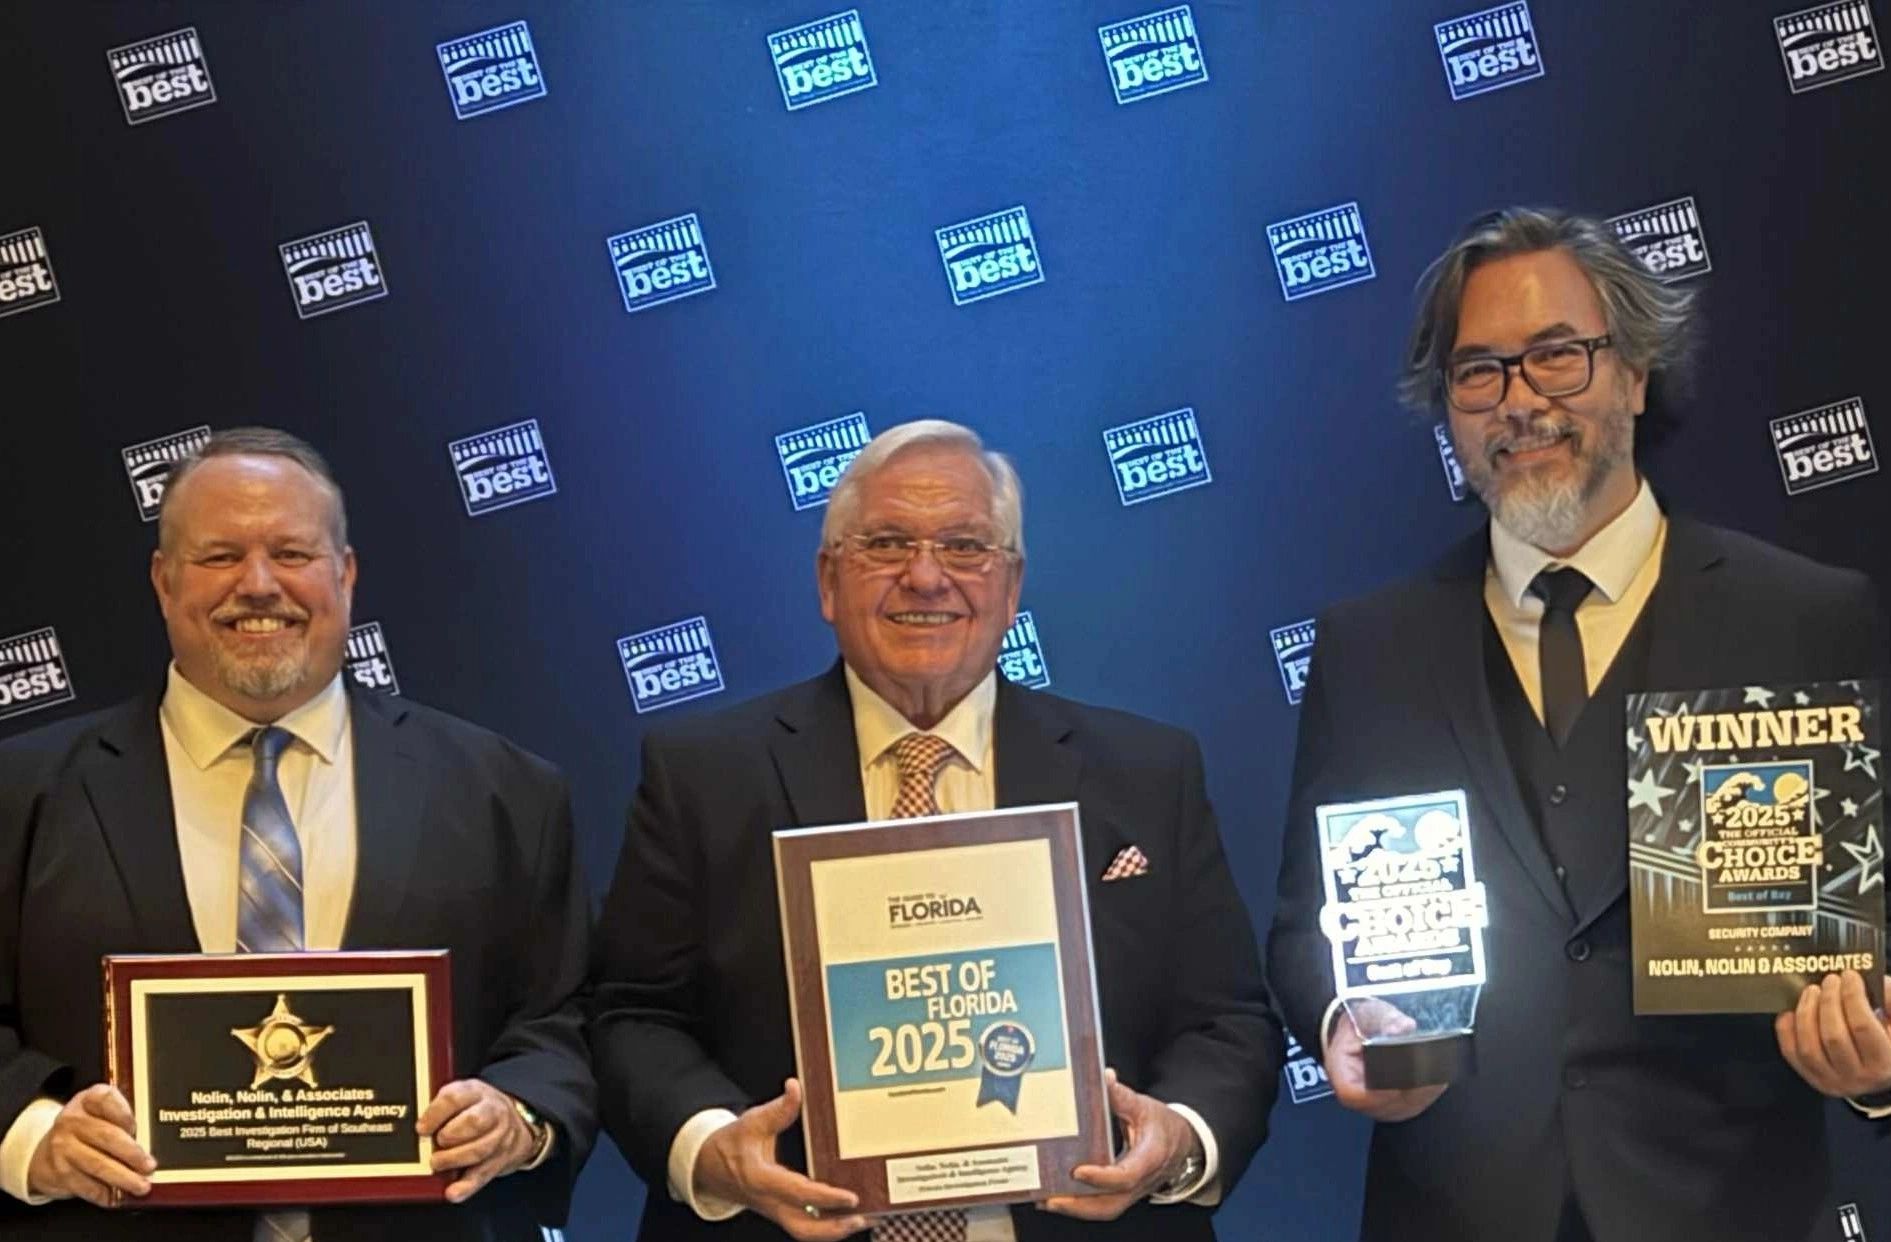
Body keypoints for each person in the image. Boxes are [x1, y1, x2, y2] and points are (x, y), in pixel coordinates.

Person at [1267, 207, 1891, 1242]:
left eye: (1557, 356)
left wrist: (1874, 1060)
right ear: (1448, 407)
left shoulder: (1803, 618)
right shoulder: (1367, 649)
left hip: (1729, 1212)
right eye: (1479, 372)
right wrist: (1341, 1023)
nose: (1520, 402)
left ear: (1634, 375)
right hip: (1454, 1216)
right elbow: (1304, 928)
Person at [590, 419, 1280, 1240]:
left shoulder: (1146, 770)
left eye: (965, 547)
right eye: (885, 543)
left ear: (1012, 585)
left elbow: (1226, 1022)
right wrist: (710, 1149)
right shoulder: (703, 774)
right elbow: (632, 1014)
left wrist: (1177, 1140)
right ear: (826, 580)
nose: (925, 578)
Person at [0, 427, 596, 1241]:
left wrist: (518, 1116)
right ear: (163, 581)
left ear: (345, 575)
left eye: (292, 552)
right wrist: (35, 1138)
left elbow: (563, 1020)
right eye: (217, 557)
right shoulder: (20, 792)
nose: (256, 585)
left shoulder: (505, 789)